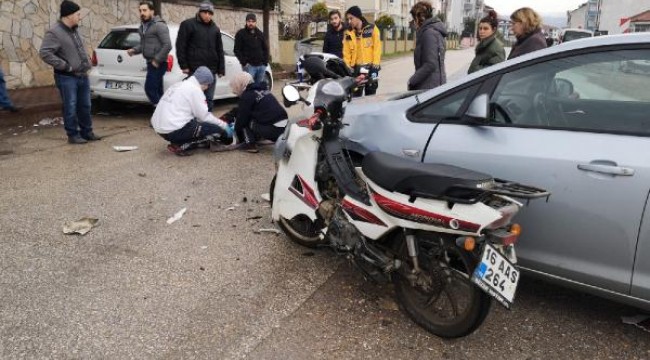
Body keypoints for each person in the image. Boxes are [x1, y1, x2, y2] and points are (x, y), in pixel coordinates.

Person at [39, 0, 100, 144]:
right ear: (69, 15)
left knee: (85, 105)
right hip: (67, 77)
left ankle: (87, 132)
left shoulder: (75, 29)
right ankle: (73, 135)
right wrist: (65, 66)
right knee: (70, 106)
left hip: (82, 75)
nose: (80, 17)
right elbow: (45, 53)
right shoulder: (54, 32)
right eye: (78, 14)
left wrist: (88, 62)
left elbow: (78, 50)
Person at [151, 66, 233, 156]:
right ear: (204, 82)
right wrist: (223, 126)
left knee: (194, 124)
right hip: (172, 129)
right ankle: (181, 145)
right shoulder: (195, 90)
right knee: (214, 129)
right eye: (208, 85)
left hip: (160, 129)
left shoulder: (179, 84)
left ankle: (178, 140)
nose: (207, 88)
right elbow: (204, 117)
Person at [176, 1, 225, 112]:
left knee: (209, 99)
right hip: (195, 70)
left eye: (210, 13)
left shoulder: (215, 29)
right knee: (192, 99)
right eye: (205, 12)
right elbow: (181, 46)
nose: (207, 15)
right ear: (200, 12)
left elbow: (219, 50)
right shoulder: (188, 25)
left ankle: (207, 122)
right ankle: (191, 123)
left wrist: (221, 68)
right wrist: (183, 65)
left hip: (211, 71)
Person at [221, 72, 287, 154]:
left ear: (240, 84)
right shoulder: (262, 90)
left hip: (273, 130)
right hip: (285, 129)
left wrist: (239, 137)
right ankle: (259, 137)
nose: (234, 90)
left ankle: (249, 144)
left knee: (245, 121)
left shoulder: (247, 96)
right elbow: (243, 108)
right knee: (253, 116)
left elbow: (241, 121)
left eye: (235, 86)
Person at [127, 1, 172, 106]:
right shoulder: (143, 27)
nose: (142, 13)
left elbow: (167, 45)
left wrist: (157, 60)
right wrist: (134, 50)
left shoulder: (159, 25)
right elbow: (143, 45)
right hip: (150, 62)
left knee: (150, 88)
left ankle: (161, 110)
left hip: (159, 63)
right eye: (140, 11)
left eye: (145, 10)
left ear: (152, 11)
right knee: (158, 91)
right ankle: (164, 114)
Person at [407, 1, 447, 91]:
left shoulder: (429, 33)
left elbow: (430, 64)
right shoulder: (433, 31)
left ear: (420, 17)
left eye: (414, 19)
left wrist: (412, 80)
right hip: (434, 84)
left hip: (429, 86)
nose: (413, 22)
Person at [343, 6, 381, 96]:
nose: (349, 21)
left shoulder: (372, 29)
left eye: (351, 18)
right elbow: (346, 53)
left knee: (371, 96)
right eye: (348, 19)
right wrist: (347, 69)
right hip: (356, 69)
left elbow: (377, 47)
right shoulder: (348, 33)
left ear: (358, 17)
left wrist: (376, 64)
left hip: (371, 67)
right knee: (355, 97)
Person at [234, 13, 270, 86]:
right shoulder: (241, 34)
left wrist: (265, 63)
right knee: (248, 87)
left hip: (261, 66)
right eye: (249, 21)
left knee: (258, 88)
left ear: (255, 22)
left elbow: (265, 49)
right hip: (249, 66)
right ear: (246, 22)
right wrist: (244, 63)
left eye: (252, 21)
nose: (251, 23)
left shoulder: (260, 34)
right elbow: (236, 50)